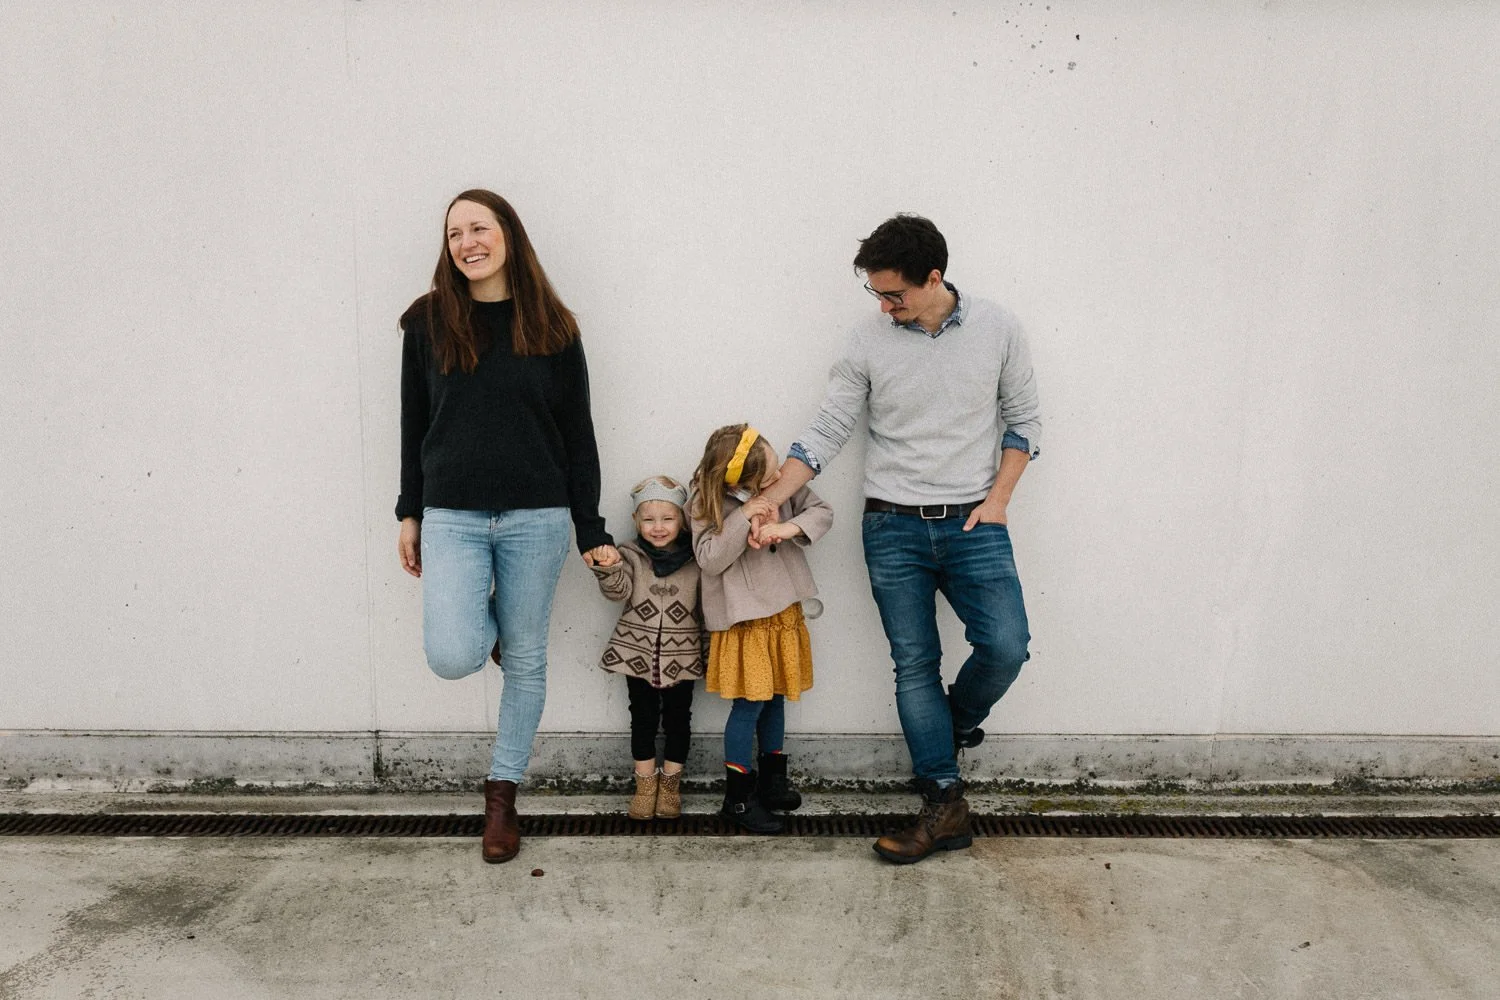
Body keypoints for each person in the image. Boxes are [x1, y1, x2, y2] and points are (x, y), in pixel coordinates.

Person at [750, 214, 1041, 864]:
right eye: (876, 294)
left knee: (1007, 646)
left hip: (973, 522)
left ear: (933, 278)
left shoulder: (998, 329)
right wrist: (771, 498)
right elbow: (827, 430)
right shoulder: (866, 340)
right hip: (892, 527)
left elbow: (1024, 423)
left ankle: (950, 727)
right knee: (914, 665)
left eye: (894, 294)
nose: (884, 306)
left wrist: (998, 501)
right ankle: (943, 802)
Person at [396, 189, 619, 864]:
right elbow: (413, 423)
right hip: (453, 516)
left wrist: (590, 527)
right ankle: (491, 629)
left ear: (508, 235)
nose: (467, 242)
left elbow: (578, 434)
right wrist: (409, 511)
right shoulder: (427, 321)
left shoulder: (552, 325)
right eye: (455, 233)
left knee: (525, 660)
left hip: (536, 518)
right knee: (452, 654)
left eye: (479, 228)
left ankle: (502, 794)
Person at [689, 424, 833, 833]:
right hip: (745, 621)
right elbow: (709, 559)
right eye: (768, 475)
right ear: (740, 481)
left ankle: (773, 781)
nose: (778, 477)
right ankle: (737, 799)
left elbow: (822, 512)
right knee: (749, 704)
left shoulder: (781, 488)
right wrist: (744, 516)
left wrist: (786, 527)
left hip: (781, 612)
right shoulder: (705, 501)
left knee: (776, 697)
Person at [590, 476, 703, 820]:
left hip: (682, 654)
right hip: (637, 654)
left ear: (682, 519)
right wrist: (609, 569)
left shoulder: (697, 558)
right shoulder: (631, 555)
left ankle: (670, 787)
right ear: (636, 520)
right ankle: (645, 786)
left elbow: (707, 605)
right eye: (649, 519)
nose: (658, 527)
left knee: (678, 719)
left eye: (667, 518)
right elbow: (618, 593)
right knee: (642, 718)